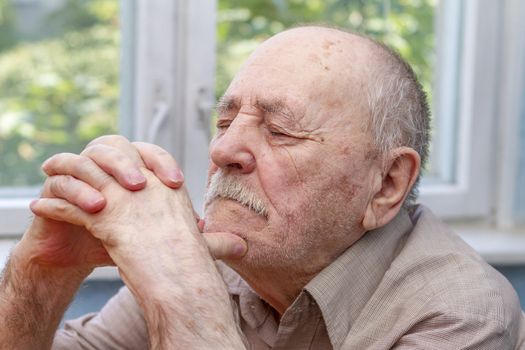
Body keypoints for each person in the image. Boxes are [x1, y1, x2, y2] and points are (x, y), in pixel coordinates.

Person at [1, 25, 524, 349]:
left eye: (280, 131)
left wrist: (184, 293)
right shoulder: (230, 261)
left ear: (386, 184)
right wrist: (43, 271)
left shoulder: (462, 316)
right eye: (226, 123)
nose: (222, 152)